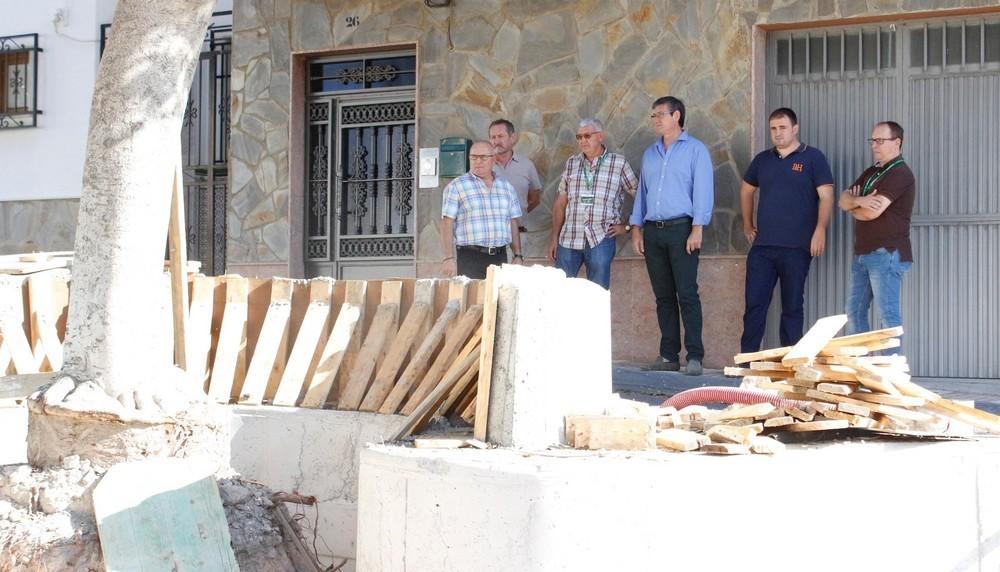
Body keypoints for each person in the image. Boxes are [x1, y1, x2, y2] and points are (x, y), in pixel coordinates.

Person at [629, 96, 714, 375]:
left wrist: (697, 228)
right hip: (653, 232)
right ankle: (668, 356)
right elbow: (642, 193)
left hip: (682, 230)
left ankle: (694, 357)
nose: (655, 120)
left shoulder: (696, 150)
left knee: (687, 294)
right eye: (653, 115)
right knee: (663, 296)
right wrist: (636, 228)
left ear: (676, 116)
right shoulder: (650, 153)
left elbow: (703, 190)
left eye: (660, 114)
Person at [739, 108, 834, 352]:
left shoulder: (813, 158)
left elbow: (826, 196)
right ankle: (748, 362)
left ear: (795, 128)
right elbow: (747, 190)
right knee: (754, 305)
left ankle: (791, 365)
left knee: (792, 307)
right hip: (763, 248)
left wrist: (820, 230)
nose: (777, 133)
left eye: (782, 127)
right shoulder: (762, 160)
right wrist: (747, 224)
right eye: (773, 128)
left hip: (797, 247)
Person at [838, 121, 915, 336]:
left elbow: (872, 212)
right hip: (863, 254)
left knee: (887, 315)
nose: (874, 145)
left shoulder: (900, 173)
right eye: (872, 140)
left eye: (880, 140)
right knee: (854, 311)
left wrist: (854, 204)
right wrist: (860, 201)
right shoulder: (871, 172)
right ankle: (861, 367)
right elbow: (842, 200)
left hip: (887, 253)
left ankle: (892, 369)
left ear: (897, 142)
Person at [548, 118, 638, 289]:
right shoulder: (572, 163)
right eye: (579, 137)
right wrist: (554, 238)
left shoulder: (618, 163)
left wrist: (627, 227)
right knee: (560, 293)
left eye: (587, 135)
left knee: (598, 295)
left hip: (601, 238)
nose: (583, 140)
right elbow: (560, 204)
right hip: (569, 238)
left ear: (600, 136)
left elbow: (640, 198)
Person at [440, 140, 524, 279]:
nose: (477, 161)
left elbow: (512, 222)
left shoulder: (506, 187)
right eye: (473, 157)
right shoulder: (456, 186)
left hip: (499, 257)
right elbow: (446, 223)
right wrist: (448, 258)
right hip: (470, 257)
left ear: (493, 159)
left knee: (496, 299)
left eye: (483, 157)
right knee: (472, 299)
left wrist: (518, 255)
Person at [489, 119, 543, 232]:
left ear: (512, 138)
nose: (496, 141)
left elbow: (535, 199)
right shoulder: (484, 166)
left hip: (518, 232)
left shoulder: (527, 165)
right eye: (493, 137)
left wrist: (519, 214)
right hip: (489, 233)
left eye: (500, 136)